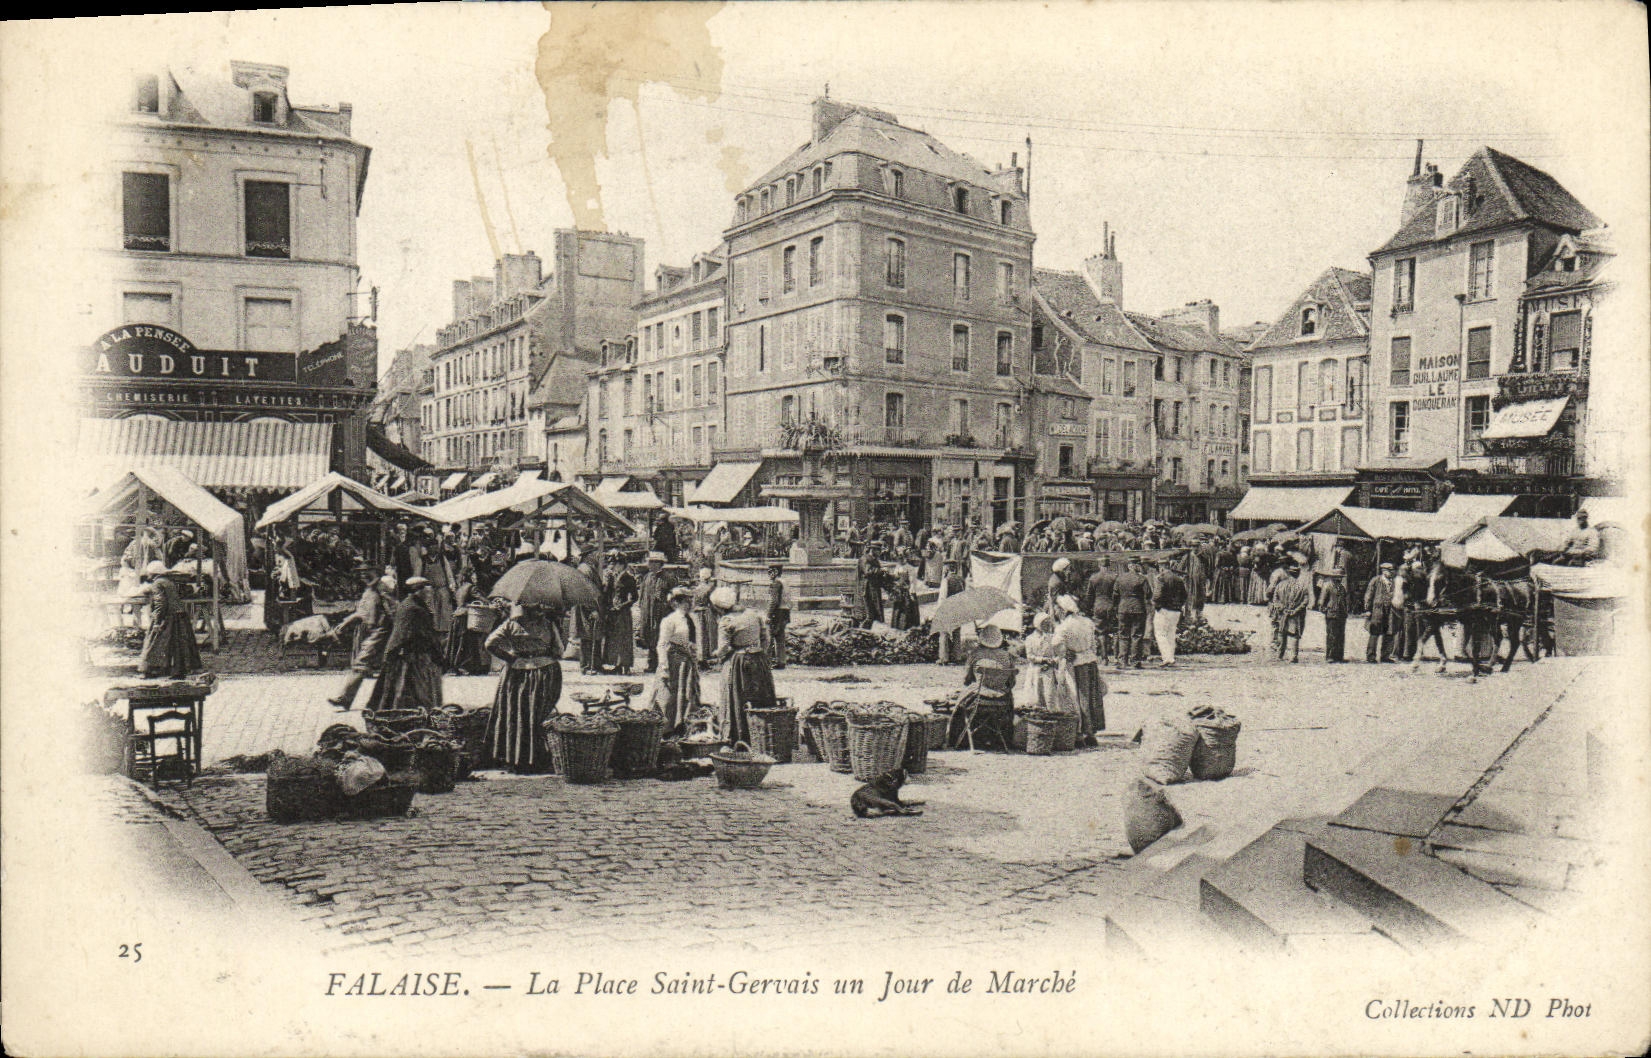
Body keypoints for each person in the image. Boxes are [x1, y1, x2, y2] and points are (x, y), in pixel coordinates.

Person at [483, 603, 565, 773]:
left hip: (515, 674)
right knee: (538, 714)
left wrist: (511, 658)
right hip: (543, 673)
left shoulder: (510, 624)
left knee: (514, 714)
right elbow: (559, 651)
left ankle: (513, 758)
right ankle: (537, 758)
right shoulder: (548, 625)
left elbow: (489, 644)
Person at [365, 576, 444, 716]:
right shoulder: (413, 608)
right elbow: (409, 634)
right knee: (418, 691)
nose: (430, 595)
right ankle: (419, 717)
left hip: (412, 653)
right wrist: (438, 653)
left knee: (408, 690)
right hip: (414, 656)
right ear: (417, 591)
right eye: (427, 592)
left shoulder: (410, 604)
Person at [711, 586, 774, 746]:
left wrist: (715, 655)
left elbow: (724, 647)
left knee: (736, 697)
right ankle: (762, 735)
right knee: (760, 695)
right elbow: (765, 638)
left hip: (738, 661)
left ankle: (738, 735)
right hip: (758, 659)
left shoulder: (727, 621)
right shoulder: (753, 614)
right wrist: (760, 652)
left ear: (720, 607)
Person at [329, 573, 398, 709]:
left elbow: (393, 610)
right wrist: (345, 623)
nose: (363, 575)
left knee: (361, 663)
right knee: (386, 667)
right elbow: (361, 612)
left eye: (366, 572)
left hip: (380, 632)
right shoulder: (369, 592)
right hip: (372, 631)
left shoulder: (381, 589)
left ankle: (345, 698)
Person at [949, 623, 1017, 750]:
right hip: (1002, 701)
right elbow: (1012, 683)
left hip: (979, 699)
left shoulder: (975, 654)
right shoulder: (1007, 656)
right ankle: (999, 738)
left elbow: (966, 679)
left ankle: (960, 739)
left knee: (961, 703)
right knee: (1009, 698)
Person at [135, 561, 204, 679]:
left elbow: (160, 603)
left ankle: (152, 670)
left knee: (154, 642)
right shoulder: (168, 581)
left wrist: (157, 621)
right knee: (178, 645)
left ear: (153, 573)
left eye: (149, 574)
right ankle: (178, 670)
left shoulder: (157, 583)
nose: (148, 576)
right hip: (180, 615)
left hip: (168, 616)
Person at [1054, 595, 1104, 741]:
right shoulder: (1087, 622)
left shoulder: (1064, 627)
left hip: (1075, 663)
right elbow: (1094, 644)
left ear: (1063, 610)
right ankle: (1091, 731)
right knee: (1092, 695)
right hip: (1090, 661)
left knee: (1077, 696)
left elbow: (1056, 645)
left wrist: (1065, 652)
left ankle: (1080, 731)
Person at [655, 587, 701, 735]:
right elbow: (662, 644)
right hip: (673, 660)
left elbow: (694, 641)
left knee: (687, 694)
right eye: (685, 601)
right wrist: (664, 666)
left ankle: (682, 726)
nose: (689, 604)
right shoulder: (669, 620)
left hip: (686, 661)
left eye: (690, 601)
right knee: (669, 696)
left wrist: (695, 658)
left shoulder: (692, 619)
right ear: (677, 603)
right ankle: (666, 728)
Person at [601, 552, 638, 675]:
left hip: (623, 612)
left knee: (624, 638)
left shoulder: (629, 578)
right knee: (614, 638)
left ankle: (625, 665)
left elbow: (634, 597)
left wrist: (622, 606)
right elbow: (608, 593)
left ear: (622, 565)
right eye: (612, 564)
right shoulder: (612, 577)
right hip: (613, 611)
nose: (613, 566)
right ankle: (616, 664)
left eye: (616, 564)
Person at [1113, 556, 1152, 668]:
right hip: (1138, 609)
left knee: (1123, 634)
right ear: (1136, 566)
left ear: (1129, 566)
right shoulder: (1142, 579)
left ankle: (1123, 661)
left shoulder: (1120, 578)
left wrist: (1117, 607)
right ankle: (1135, 661)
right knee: (1137, 635)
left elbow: (1115, 595)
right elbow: (1149, 594)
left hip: (1123, 608)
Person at [637, 552, 673, 674]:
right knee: (649, 636)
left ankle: (661, 663)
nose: (650, 564)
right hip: (647, 612)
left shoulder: (667, 578)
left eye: (653, 562)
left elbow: (672, 596)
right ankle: (651, 663)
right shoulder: (647, 577)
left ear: (659, 564)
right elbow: (641, 594)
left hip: (661, 613)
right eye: (649, 562)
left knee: (660, 637)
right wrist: (642, 608)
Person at [1272, 562, 1312, 663]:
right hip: (1296, 615)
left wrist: (1281, 608)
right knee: (1294, 635)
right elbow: (1306, 601)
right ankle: (1293, 657)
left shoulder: (1280, 585)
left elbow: (1275, 599)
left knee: (1282, 633)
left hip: (1283, 614)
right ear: (1298, 573)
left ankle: (1279, 655)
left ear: (1288, 573)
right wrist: (1296, 610)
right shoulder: (1302, 586)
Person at [1151, 559, 1188, 667]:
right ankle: (1171, 657)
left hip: (1164, 609)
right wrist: (1179, 605)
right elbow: (1184, 595)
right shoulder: (1179, 579)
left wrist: (1156, 605)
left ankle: (1167, 658)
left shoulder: (1161, 578)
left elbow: (1157, 595)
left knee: (1160, 634)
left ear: (1162, 567)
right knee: (1171, 634)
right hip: (1176, 610)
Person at [1086, 559, 1118, 666]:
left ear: (1099, 565)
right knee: (1116, 632)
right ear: (1109, 565)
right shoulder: (1114, 577)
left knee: (1101, 632)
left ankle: (1104, 658)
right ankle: (1117, 657)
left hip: (1098, 606)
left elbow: (1089, 596)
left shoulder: (1093, 578)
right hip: (1112, 606)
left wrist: (1089, 608)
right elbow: (1118, 593)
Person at [1364, 563, 1397, 663]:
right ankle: (1371, 656)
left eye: (1392, 570)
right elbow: (1368, 595)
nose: (1391, 572)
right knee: (1375, 631)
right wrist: (1367, 609)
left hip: (1391, 610)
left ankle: (1385, 656)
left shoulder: (1394, 582)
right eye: (1389, 570)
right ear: (1383, 571)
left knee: (1389, 632)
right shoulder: (1376, 580)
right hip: (1377, 610)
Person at [936, 561, 967, 664]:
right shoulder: (961, 580)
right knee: (957, 633)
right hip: (958, 609)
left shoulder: (946, 580)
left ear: (947, 569)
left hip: (948, 609)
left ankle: (944, 658)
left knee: (944, 633)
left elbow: (943, 597)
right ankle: (957, 656)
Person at [690, 567, 718, 669]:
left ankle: (699, 658)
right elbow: (713, 602)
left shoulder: (696, 589)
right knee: (707, 636)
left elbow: (693, 604)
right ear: (708, 578)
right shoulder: (710, 588)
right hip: (706, 612)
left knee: (699, 635)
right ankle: (704, 659)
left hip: (697, 613)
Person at [1319, 569, 1349, 663]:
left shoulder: (1342, 587)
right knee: (1332, 635)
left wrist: (1345, 611)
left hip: (1341, 614)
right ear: (1333, 577)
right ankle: (1330, 656)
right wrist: (1326, 610)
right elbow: (1321, 601)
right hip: (1331, 614)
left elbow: (1344, 601)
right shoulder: (1328, 586)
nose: (1339, 578)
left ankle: (1339, 656)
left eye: (1340, 577)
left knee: (1340, 635)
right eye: (1337, 576)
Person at [765, 565, 790, 669]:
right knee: (780, 637)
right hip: (785, 612)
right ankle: (781, 661)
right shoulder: (785, 582)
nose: (768, 575)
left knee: (769, 637)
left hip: (777, 612)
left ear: (775, 572)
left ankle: (767, 662)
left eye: (770, 572)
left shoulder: (776, 583)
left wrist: (768, 615)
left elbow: (773, 601)